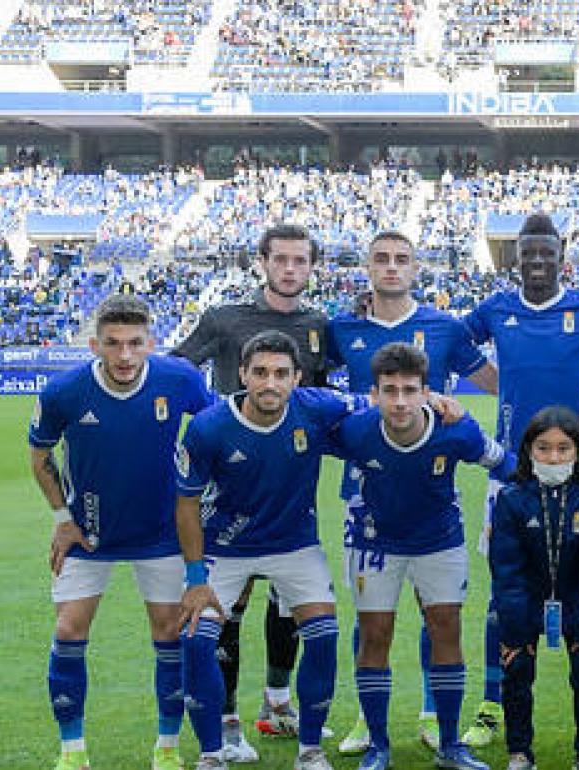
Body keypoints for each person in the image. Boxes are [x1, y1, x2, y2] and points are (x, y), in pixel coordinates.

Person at [327, 231, 499, 756]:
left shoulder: (444, 327)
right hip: (365, 485)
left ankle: (431, 713)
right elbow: (306, 385)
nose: (392, 267)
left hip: (431, 480)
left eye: (402, 259)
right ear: (367, 266)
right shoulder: (342, 327)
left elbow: (494, 381)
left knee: (439, 612)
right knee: (372, 618)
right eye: (381, 259)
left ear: (416, 267)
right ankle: (367, 719)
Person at [461, 213, 579, 750]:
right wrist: (497, 386)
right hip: (511, 475)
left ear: (562, 257)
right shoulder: (495, 309)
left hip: (576, 473)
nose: (536, 262)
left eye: (546, 253)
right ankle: (491, 705)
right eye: (527, 254)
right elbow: (447, 341)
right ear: (516, 260)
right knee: (503, 598)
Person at [30, 295, 214, 770]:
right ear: (95, 345)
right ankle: (72, 752)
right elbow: (40, 455)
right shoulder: (63, 392)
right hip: (89, 536)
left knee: (169, 635)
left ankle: (167, 748)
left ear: (151, 342)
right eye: (113, 344)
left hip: (162, 533)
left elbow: (215, 426)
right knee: (69, 629)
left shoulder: (180, 379)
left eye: (135, 343)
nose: (125, 355)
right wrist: (61, 519)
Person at [173, 223, 333, 760]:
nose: (290, 269)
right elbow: (176, 367)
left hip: (287, 477)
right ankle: (227, 721)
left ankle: (279, 703)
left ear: (312, 267)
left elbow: (330, 394)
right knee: (229, 608)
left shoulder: (317, 324)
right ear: (261, 262)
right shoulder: (224, 318)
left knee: (287, 603)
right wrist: (210, 426)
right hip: (229, 487)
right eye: (280, 259)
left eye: (300, 261)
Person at [175, 330, 359, 770]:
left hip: (294, 545)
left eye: (280, 373)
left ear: (298, 378)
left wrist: (436, 403)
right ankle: (212, 753)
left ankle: (310, 751)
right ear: (242, 375)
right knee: (196, 643)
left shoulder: (316, 407)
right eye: (259, 372)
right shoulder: (208, 427)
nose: (269, 383)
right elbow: (184, 505)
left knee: (324, 637)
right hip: (224, 547)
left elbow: (383, 404)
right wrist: (197, 579)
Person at [490, 406, 579, 770]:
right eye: (543, 448)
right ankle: (519, 751)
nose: (553, 457)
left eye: (563, 448)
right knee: (517, 671)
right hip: (525, 603)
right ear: (529, 450)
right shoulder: (512, 500)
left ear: (578, 452)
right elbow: (506, 567)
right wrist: (517, 616)